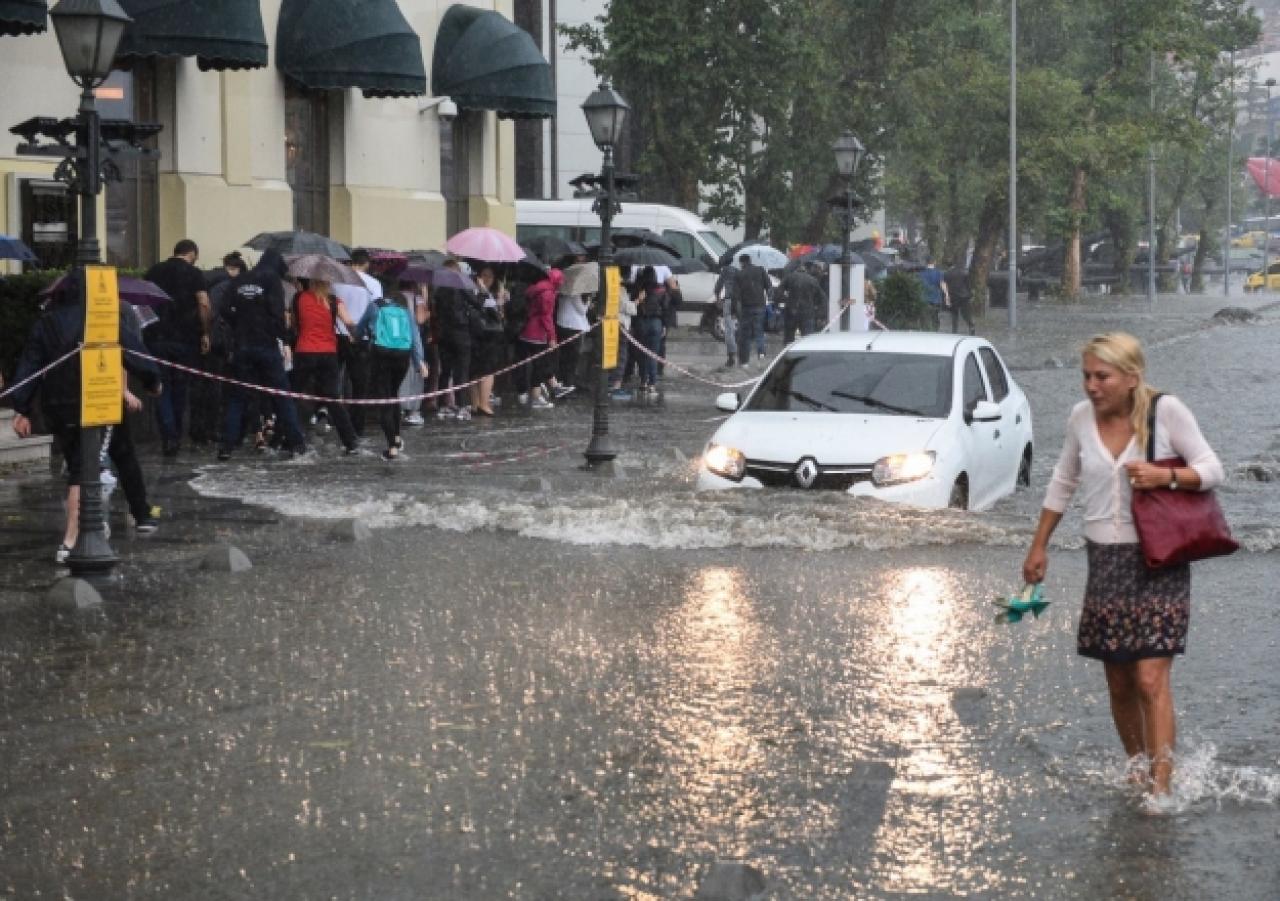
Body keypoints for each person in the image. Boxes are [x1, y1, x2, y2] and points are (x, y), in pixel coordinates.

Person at [1021, 332, 1224, 808]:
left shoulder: (1165, 411)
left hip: (1158, 558)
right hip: (1105, 560)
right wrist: (1038, 547)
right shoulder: (1079, 418)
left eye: (1102, 376)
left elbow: (1214, 468)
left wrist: (1166, 476)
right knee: (1119, 679)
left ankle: (1162, 784)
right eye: (1086, 375)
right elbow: (1063, 480)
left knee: (1151, 676)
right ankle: (1136, 767)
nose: (1092, 385)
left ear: (1132, 378)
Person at [8, 271, 163, 560]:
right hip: (95, 401)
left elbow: (30, 364)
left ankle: (116, 519)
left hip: (58, 404)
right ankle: (73, 538)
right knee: (84, 468)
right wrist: (152, 381)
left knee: (93, 458)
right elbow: (133, 352)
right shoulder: (101, 318)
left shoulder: (47, 321)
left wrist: (22, 407)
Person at [217, 250, 309, 460]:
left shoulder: (240, 278)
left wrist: (239, 323)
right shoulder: (271, 280)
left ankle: (226, 446)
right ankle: (296, 443)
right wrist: (283, 339)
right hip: (266, 345)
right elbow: (276, 313)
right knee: (282, 395)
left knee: (238, 398)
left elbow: (223, 308)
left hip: (242, 346)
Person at [144, 238, 212, 456]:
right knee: (180, 388)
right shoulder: (194, 273)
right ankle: (177, 435)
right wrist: (205, 332)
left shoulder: (154, 271)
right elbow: (203, 304)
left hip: (156, 337)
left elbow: (142, 303)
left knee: (161, 387)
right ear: (191, 254)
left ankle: (169, 437)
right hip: (185, 339)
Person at [289, 277, 359, 454]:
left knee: (302, 397)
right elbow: (350, 323)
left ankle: (296, 443)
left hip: (304, 351)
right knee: (333, 399)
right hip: (328, 353)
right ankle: (350, 441)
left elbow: (292, 324)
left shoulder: (298, 298)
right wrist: (356, 336)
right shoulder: (334, 301)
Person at [357, 290, 427, 460]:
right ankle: (396, 436)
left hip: (381, 354)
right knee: (393, 395)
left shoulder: (375, 306)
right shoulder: (404, 311)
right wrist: (420, 362)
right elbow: (415, 337)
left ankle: (392, 447)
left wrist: (357, 337)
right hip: (402, 356)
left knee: (384, 399)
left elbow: (360, 329)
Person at [333, 248, 379, 435]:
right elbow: (376, 310)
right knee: (360, 383)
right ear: (366, 263)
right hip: (362, 337)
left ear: (351, 261)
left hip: (338, 334)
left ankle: (335, 419)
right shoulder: (373, 283)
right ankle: (357, 425)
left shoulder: (336, 281)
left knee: (335, 380)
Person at [515, 269, 562, 409]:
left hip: (525, 330)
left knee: (522, 364)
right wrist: (552, 337)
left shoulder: (535, 288)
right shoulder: (548, 294)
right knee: (539, 366)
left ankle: (522, 392)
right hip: (537, 334)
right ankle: (536, 396)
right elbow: (546, 317)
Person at [631, 266, 666, 392]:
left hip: (641, 322)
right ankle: (652, 382)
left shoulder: (637, 289)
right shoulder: (660, 289)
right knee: (653, 353)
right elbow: (665, 308)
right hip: (656, 322)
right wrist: (664, 325)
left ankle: (643, 380)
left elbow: (633, 308)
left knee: (642, 353)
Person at [734, 253, 772, 367]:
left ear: (741, 263)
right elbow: (769, 286)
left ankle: (744, 362)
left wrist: (736, 311)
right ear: (750, 260)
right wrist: (769, 300)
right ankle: (761, 354)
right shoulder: (760, 270)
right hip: (760, 305)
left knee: (745, 335)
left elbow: (736, 295)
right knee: (759, 331)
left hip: (747, 307)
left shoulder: (739, 274)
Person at [777, 263, 823, 342]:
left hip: (791, 311)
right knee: (807, 338)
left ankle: (789, 353)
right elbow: (821, 297)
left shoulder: (789, 277)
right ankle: (806, 352)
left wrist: (784, 300)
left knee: (789, 337)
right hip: (807, 312)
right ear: (806, 270)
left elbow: (778, 292)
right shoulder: (812, 280)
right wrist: (817, 309)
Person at [714, 262, 739, 367]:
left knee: (729, 330)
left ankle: (732, 356)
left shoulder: (727, 269)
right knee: (742, 330)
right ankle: (744, 358)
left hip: (730, 301)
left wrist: (718, 297)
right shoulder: (745, 267)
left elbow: (719, 285)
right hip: (744, 302)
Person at [943, 260, 976, 335]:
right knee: (966, 314)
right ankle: (971, 326)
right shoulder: (963, 273)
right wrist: (970, 294)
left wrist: (946, 297)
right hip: (964, 297)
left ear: (947, 266)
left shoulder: (946, 274)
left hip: (953, 297)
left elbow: (945, 287)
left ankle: (954, 330)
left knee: (954, 314)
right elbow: (968, 285)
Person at [919, 257, 949, 330]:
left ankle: (925, 330)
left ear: (926, 263)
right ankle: (935, 331)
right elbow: (942, 284)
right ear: (934, 262)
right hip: (936, 298)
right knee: (935, 316)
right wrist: (947, 294)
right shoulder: (939, 273)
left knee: (925, 317)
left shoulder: (921, 273)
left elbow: (919, 285)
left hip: (924, 298)